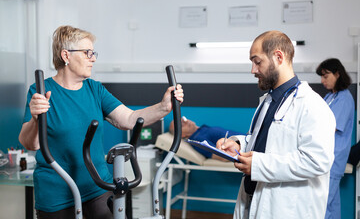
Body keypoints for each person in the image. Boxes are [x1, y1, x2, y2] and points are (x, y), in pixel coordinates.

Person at [18, 25, 184, 219]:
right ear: (66, 56)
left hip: (97, 186)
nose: (93, 58)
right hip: (57, 193)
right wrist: (37, 118)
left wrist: (163, 106)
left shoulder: (94, 89)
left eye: (93, 53)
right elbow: (31, 143)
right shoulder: (40, 91)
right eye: (87, 53)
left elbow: (129, 119)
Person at [216, 30, 336, 219]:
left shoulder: (312, 105)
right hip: (253, 200)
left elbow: (317, 160)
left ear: (278, 56)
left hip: (287, 209)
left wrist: (259, 164)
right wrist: (239, 145)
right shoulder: (268, 102)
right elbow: (266, 142)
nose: (253, 70)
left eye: (257, 62)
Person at [316, 58, 355, 219]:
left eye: (326, 76)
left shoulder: (344, 98)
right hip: (326, 155)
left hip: (334, 157)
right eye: (321, 76)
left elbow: (328, 127)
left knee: (323, 203)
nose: (322, 80)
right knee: (331, 204)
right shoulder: (330, 97)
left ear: (338, 74)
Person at [168, 117, 242, 160]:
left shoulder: (201, 131)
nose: (186, 122)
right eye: (181, 125)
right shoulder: (197, 139)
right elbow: (220, 156)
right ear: (182, 135)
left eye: (183, 119)